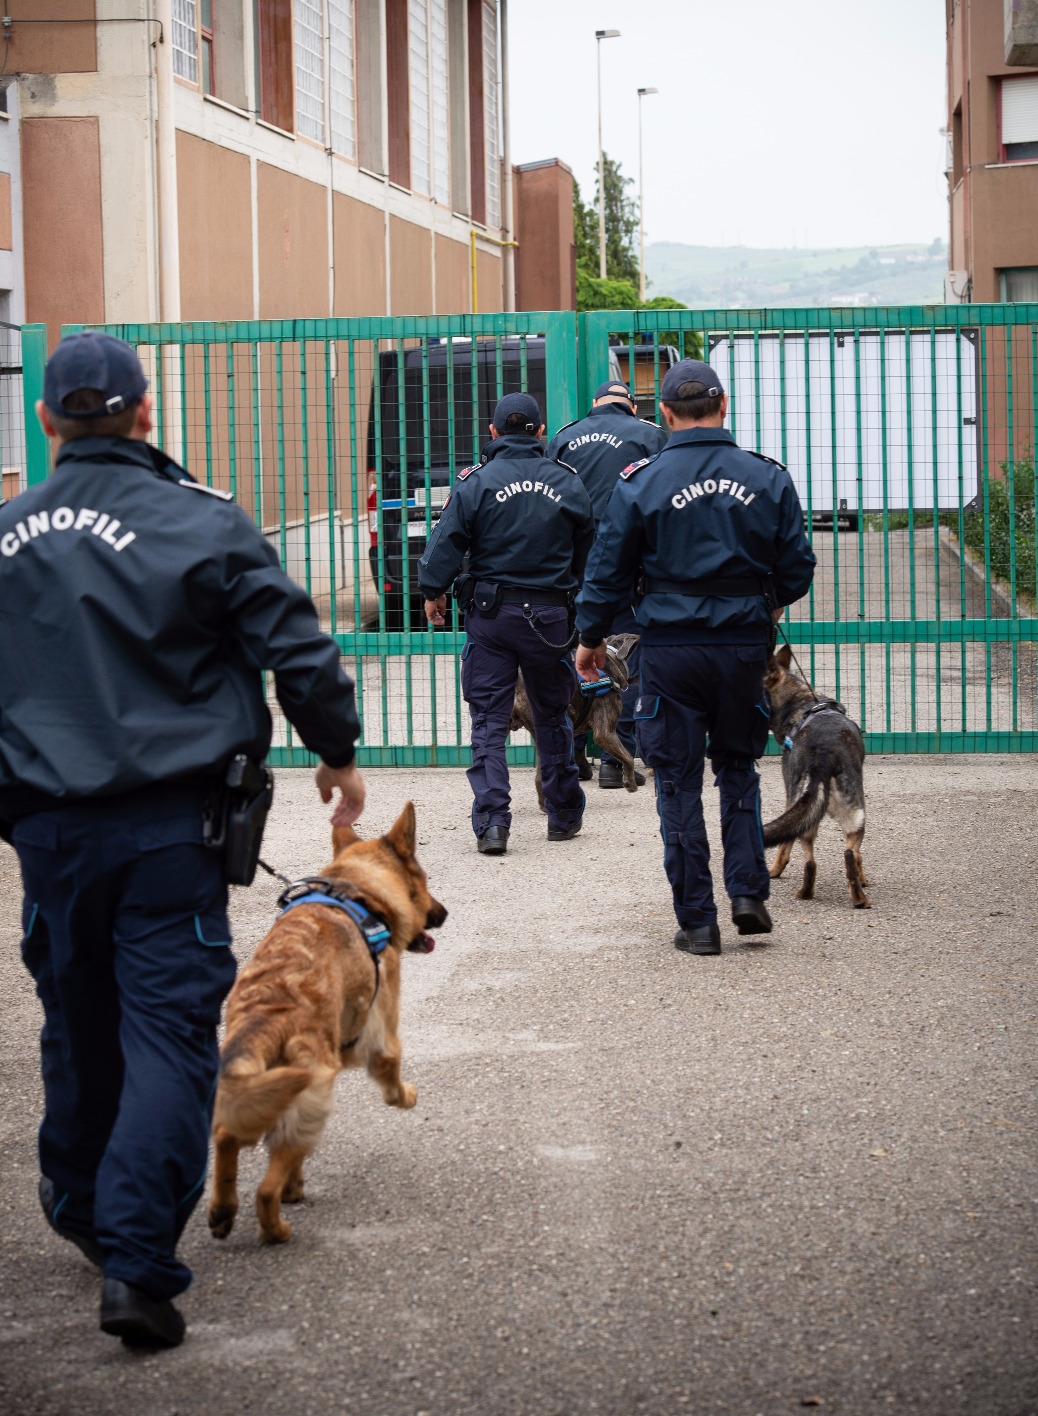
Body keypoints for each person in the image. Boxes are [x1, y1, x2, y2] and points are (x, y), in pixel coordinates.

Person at [0, 334, 365, 1350]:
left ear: (45, 421)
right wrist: (335, 753)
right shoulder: (203, 522)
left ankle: (84, 1207)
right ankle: (134, 1259)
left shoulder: (6, 533)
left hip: (48, 833)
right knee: (164, 1032)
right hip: (170, 827)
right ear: (146, 414)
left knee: (78, 1021)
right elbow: (299, 649)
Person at [574, 359, 816, 957]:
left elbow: (607, 573)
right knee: (737, 767)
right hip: (741, 651)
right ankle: (748, 895)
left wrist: (590, 639)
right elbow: (797, 570)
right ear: (723, 404)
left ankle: (698, 921)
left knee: (677, 783)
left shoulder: (641, 480)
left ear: (664, 413)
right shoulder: (768, 478)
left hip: (670, 653)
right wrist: (755, 602)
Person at [417, 392, 594, 855]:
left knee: (488, 722)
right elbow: (589, 553)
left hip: (492, 617)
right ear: (540, 432)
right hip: (552, 618)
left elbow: (446, 543)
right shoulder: (567, 481)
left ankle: (493, 824)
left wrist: (432, 592)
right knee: (553, 716)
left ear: (493, 433)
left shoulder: (476, 482)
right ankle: (563, 815)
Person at [546, 378, 664, 788]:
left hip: (571, 565)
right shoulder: (651, 436)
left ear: (595, 404)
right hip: (630, 564)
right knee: (627, 655)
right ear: (631, 407)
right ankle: (618, 759)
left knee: (573, 650)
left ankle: (574, 752)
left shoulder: (563, 438)